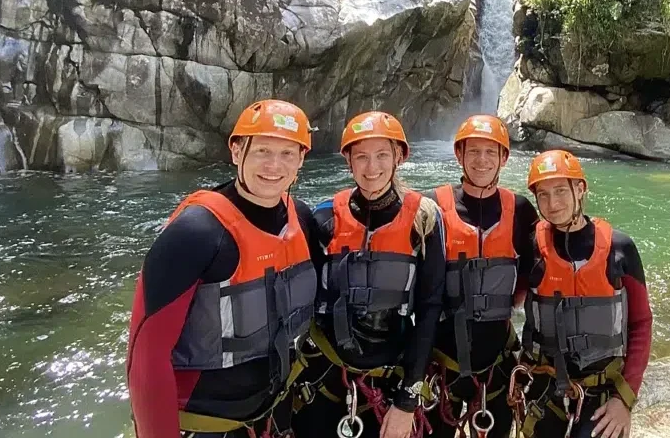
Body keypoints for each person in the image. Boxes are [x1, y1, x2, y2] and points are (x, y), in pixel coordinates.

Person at [126, 100, 322, 438]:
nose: (274, 165)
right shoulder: (197, 233)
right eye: (262, 150)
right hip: (205, 427)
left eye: (287, 154)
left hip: (274, 414)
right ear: (236, 151)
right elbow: (146, 357)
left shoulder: (302, 219)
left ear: (301, 159)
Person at [292, 111, 446, 438]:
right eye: (361, 156)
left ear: (398, 157)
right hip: (325, 374)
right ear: (348, 160)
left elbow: (430, 308)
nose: (371, 167)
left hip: (389, 379)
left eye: (382, 155)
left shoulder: (425, 220)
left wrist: (407, 400)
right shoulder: (323, 218)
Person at [508, 150, 653, 438]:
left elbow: (641, 323)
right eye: (543, 195)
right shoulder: (532, 247)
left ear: (580, 189)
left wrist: (624, 398)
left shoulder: (620, 248)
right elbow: (509, 302)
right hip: (544, 390)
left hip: (601, 394)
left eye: (561, 191)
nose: (552, 204)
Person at [423, 115, 538, 438]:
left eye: (491, 152)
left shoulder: (521, 210)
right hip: (441, 364)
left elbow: (533, 274)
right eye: (473, 151)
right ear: (459, 154)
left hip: (496, 363)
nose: (482, 160)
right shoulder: (432, 205)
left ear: (504, 158)